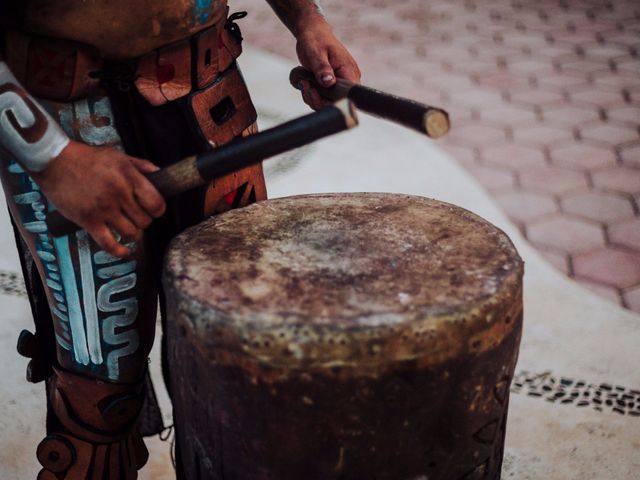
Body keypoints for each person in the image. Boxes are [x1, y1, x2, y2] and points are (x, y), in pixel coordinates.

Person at [0, 1, 360, 478]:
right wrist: (54, 158)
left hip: (211, 99)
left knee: (236, 362)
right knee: (98, 398)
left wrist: (307, 21)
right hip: (66, 120)